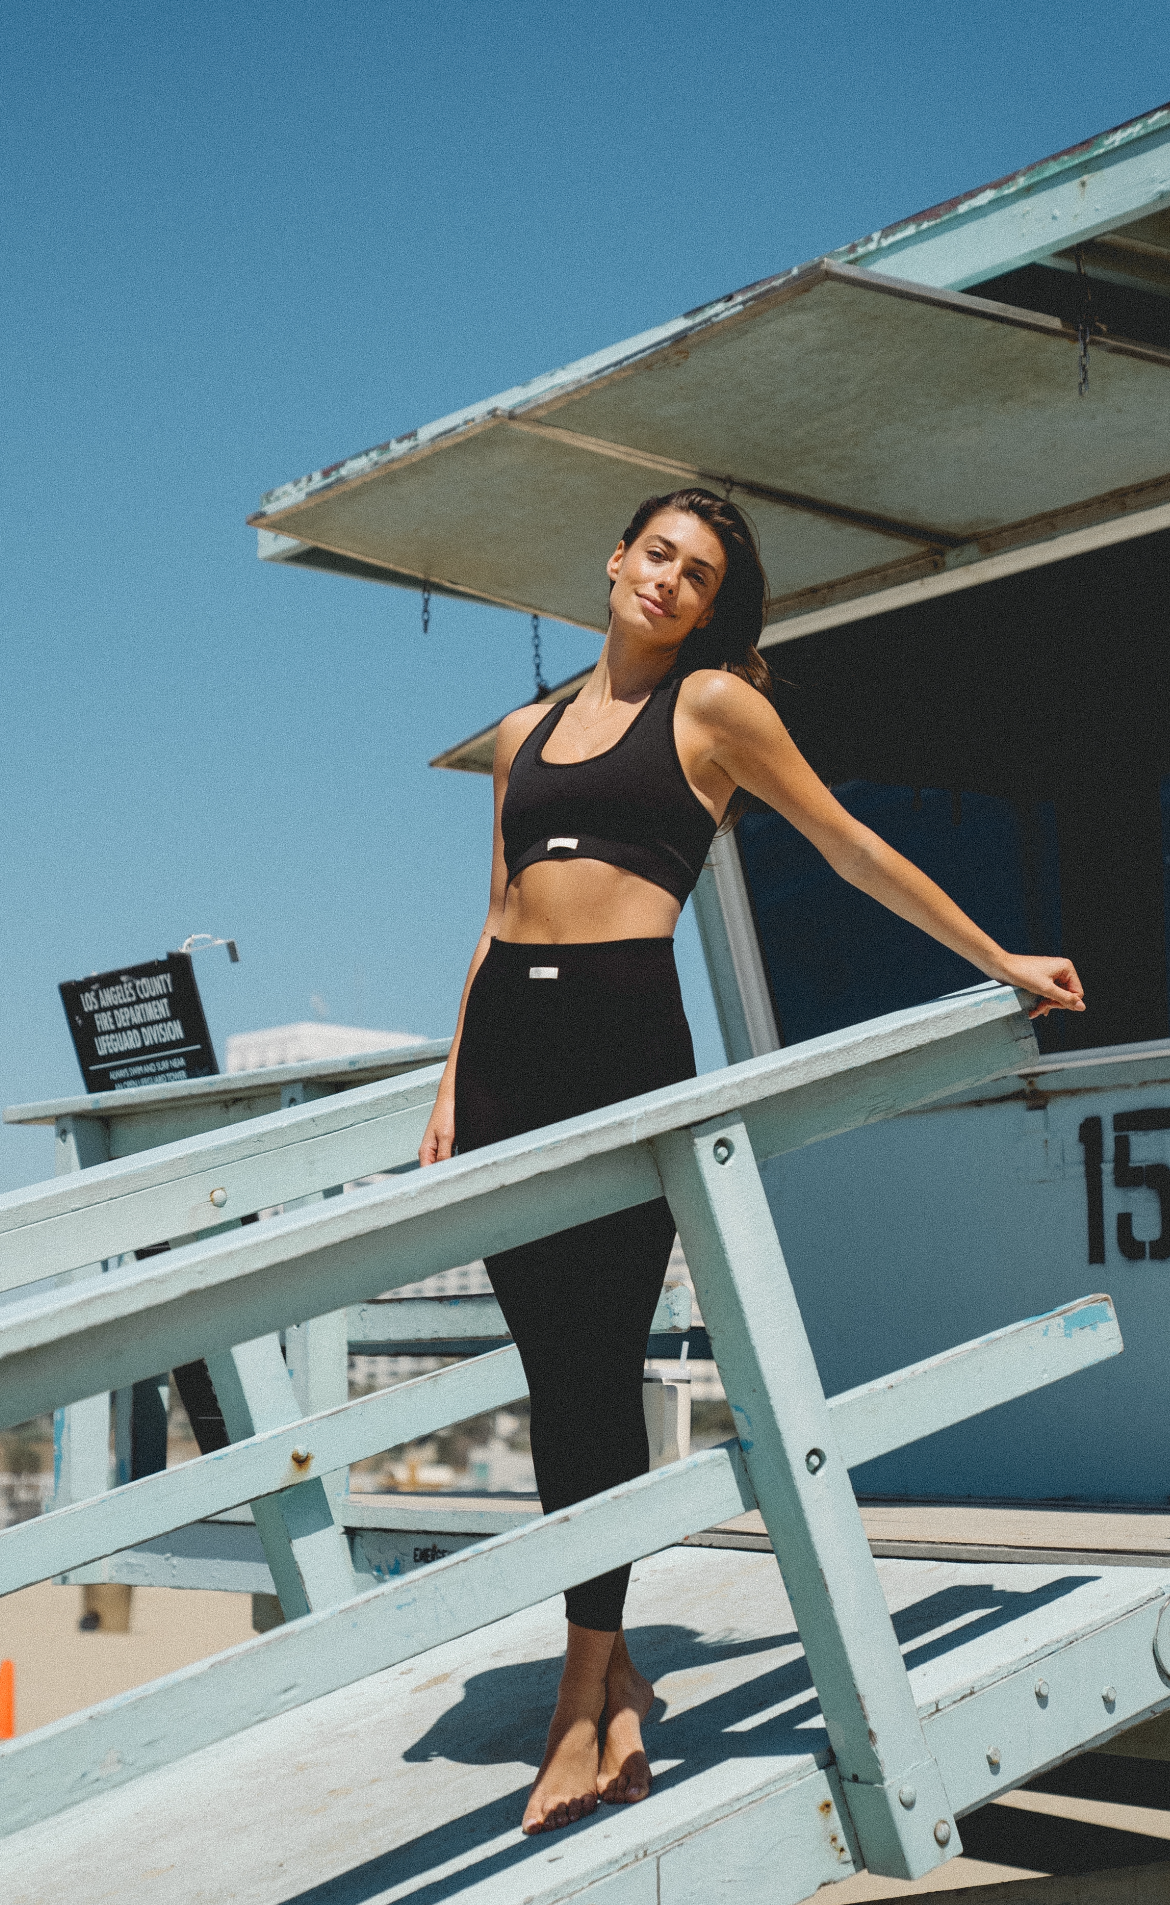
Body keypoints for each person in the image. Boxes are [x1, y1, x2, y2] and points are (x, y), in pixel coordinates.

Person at [419, 488, 1084, 1834]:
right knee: (555, 1377)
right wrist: (445, 1091)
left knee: (600, 1367)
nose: (668, 580)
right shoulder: (522, 735)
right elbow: (493, 918)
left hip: (616, 1036)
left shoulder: (715, 711)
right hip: (503, 1053)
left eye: (698, 573)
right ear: (612, 561)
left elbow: (847, 847)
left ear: (713, 606)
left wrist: (997, 958)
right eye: (656, 553)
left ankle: (582, 1698)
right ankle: (610, 1683)